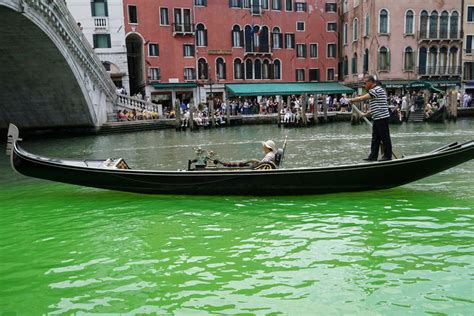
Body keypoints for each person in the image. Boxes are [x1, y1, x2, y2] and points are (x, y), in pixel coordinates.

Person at [348, 75, 393, 161]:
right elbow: (376, 106)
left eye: (365, 83)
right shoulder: (375, 90)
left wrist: (352, 100)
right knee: (375, 139)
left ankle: (388, 156)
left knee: (385, 137)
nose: (364, 85)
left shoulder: (377, 89)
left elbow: (362, 98)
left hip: (382, 118)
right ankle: (373, 156)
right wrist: (366, 114)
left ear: (370, 82)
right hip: (377, 118)